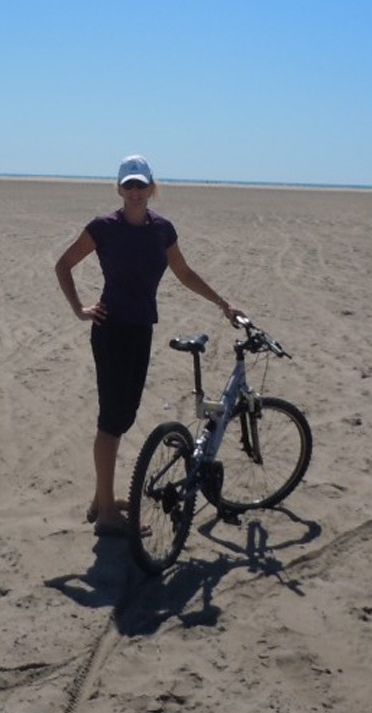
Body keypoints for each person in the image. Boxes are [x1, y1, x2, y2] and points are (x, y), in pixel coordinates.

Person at [54, 155, 243, 533]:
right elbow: (63, 265)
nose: (136, 192)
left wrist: (222, 303)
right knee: (111, 421)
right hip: (111, 332)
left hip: (141, 330)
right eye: (129, 186)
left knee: (122, 418)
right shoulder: (103, 227)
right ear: (119, 189)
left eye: (142, 185)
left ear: (152, 187)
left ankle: (100, 500)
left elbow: (184, 272)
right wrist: (79, 309)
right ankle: (107, 517)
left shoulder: (162, 230)